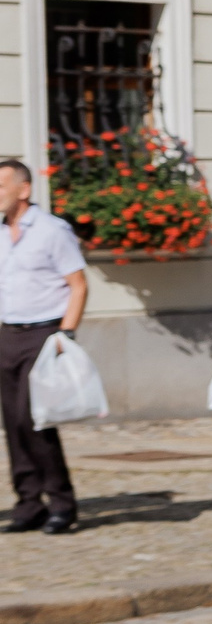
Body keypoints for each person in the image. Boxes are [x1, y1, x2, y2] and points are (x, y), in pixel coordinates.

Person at [0, 157, 87, 534]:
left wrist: (66, 334)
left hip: (44, 333)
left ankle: (62, 503)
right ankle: (29, 502)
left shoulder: (53, 231)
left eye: (1, 186)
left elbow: (79, 285)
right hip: (6, 333)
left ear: (24, 189)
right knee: (12, 424)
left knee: (34, 419)